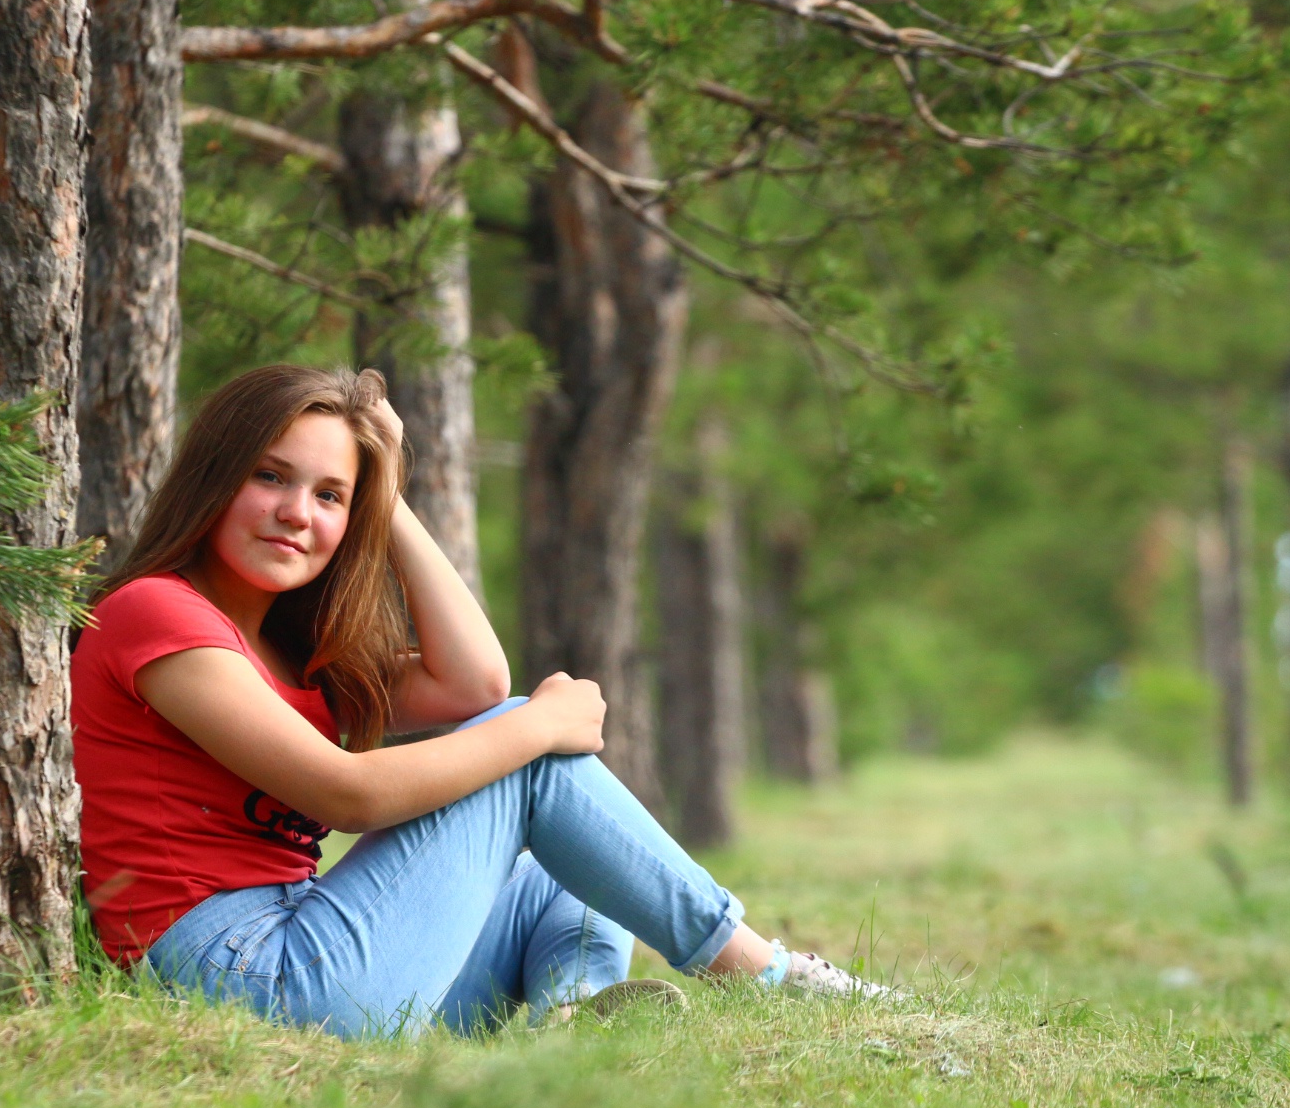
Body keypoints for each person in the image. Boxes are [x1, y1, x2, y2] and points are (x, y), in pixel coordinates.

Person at [70, 365, 890, 1038]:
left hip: (310, 947)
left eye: (330, 496)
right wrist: (538, 726)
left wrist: (385, 489)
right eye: (271, 477)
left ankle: (566, 1018)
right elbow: (344, 794)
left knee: (573, 866)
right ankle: (766, 975)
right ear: (216, 476)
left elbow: (474, 683)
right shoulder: (155, 611)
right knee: (528, 752)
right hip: (242, 973)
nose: (297, 514)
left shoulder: (298, 648)